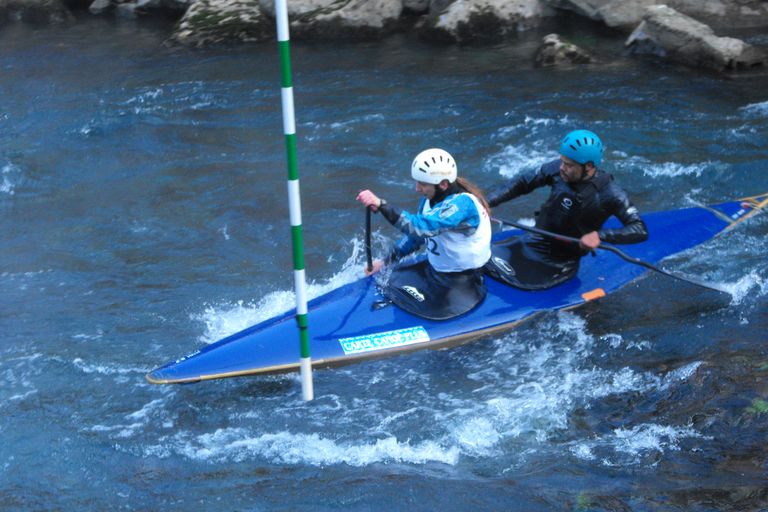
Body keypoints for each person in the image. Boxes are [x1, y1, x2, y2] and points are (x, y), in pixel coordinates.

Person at [485, 129, 648, 289]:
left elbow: (639, 229)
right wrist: (487, 202)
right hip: (533, 240)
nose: (561, 167)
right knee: (480, 259)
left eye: (569, 165)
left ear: (589, 166)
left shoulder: (611, 193)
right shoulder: (559, 169)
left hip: (559, 262)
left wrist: (600, 235)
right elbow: (522, 183)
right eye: (562, 161)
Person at [356, 148, 492, 320]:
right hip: (435, 271)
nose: (417, 189)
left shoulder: (462, 204)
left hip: (462, 281)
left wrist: (382, 206)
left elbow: (422, 228)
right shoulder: (429, 201)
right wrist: (385, 261)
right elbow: (416, 237)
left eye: (422, 184)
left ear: (443, 184)